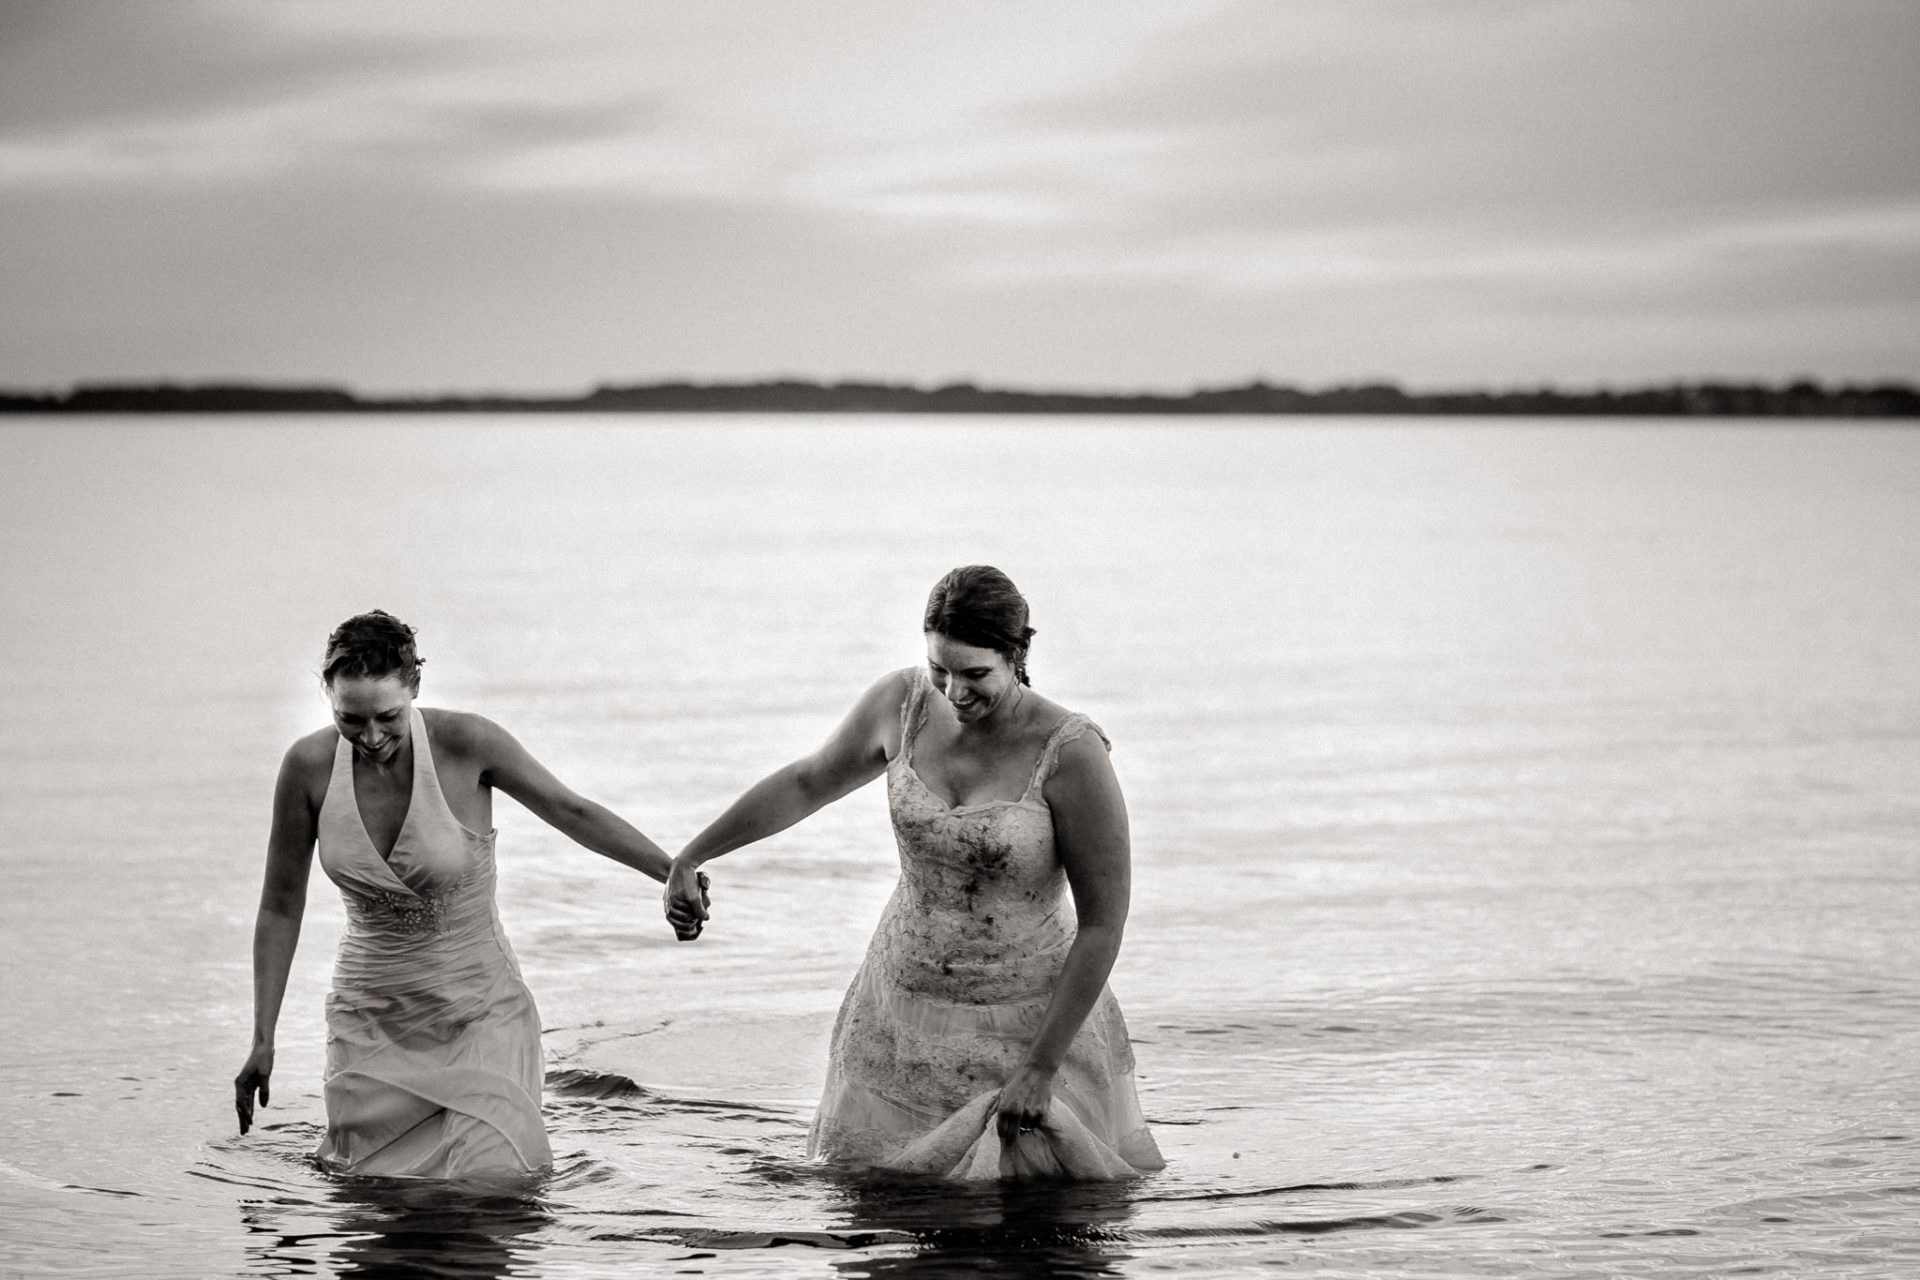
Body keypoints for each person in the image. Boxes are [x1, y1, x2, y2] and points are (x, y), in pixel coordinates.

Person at [663, 566, 1163, 1179]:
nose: (953, 692)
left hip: (1030, 1022)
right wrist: (694, 854)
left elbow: (1104, 925)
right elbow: (806, 782)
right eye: (939, 670)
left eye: (975, 674)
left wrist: (1040, 1067)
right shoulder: (900, 707)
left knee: (1035, 1229)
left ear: (1018, 654)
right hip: (900, 1009)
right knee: (884, 1208)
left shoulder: (1071, 753)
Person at [234, 610, 702, 1179]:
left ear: (415, 690)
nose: (372, 737)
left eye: (388, 717)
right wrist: (263, 1038)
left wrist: (671, 869)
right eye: (350, 720)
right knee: (376, 1210)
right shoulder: (306, 768)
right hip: (370, 1022)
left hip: (479, 1012)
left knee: (493, 1184)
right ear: (328, 700)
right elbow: (280, 906)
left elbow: (571, 810)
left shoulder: (467, 743)